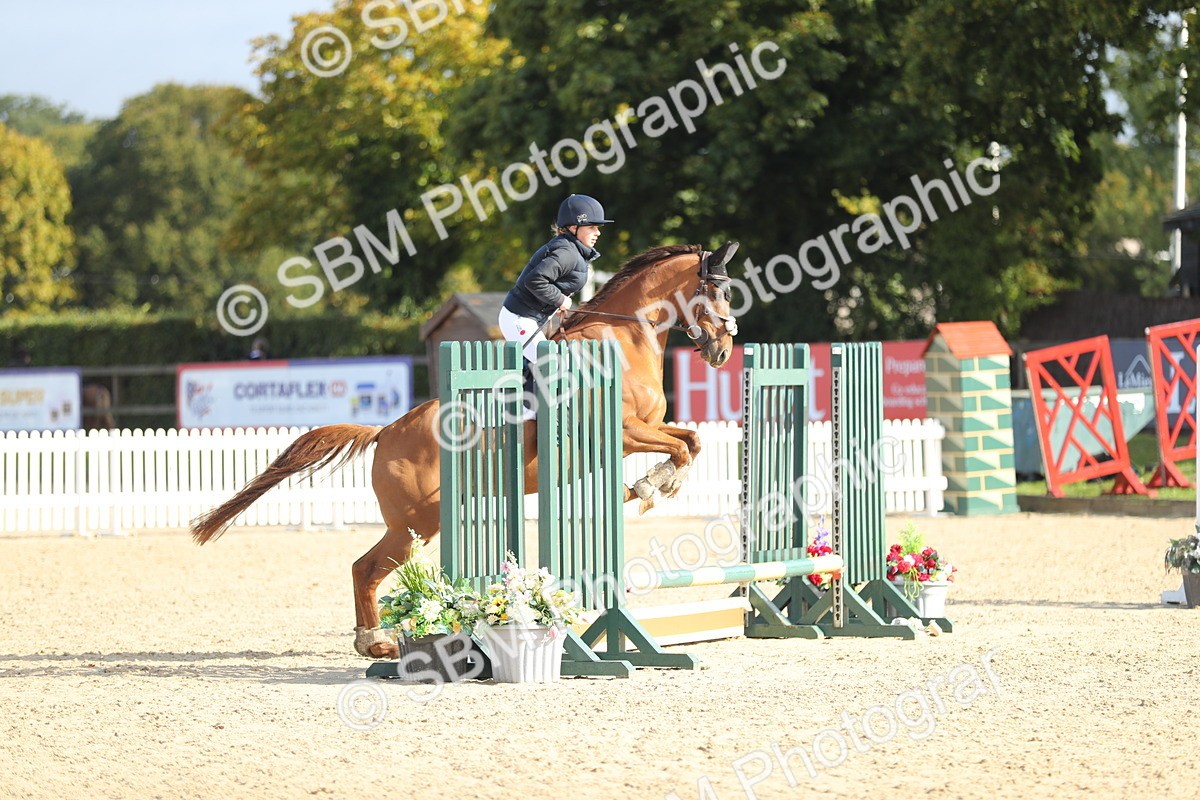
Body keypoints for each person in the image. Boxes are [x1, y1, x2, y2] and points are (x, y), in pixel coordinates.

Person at [498, 194, 613, 418]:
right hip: (518, 319)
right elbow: (535, 280)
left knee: (549, 364)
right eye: (591, 227)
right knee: (554, 366)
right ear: (573, 227)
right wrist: (560, 299)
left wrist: (557, 300)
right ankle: (525, 419)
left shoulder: (572, 251)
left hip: (530, 319)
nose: (597, 233)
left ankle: (529, 415)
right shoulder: (567, 253)